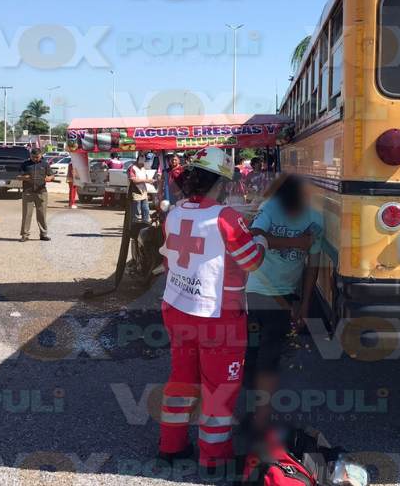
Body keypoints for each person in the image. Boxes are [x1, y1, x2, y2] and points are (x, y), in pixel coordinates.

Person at [157, 147, 267, 469]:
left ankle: (171, 446)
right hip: (218, 318)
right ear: (222, 182)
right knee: (219, 390)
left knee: (181, 381)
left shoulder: (174, 213)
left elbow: (169, 263)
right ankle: (214, 460)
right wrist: (260, 239)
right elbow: (252, 261)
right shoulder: (225, 217)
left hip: (177, 309)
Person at [243, 174, 322, 431]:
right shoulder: (270, 208)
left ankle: (255, 412)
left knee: (266, 353)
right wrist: (296, 242)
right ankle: (254, 414)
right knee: (258, 353)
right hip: (257, 290)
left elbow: (313, 266)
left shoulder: (315, 218)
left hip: (285, 293)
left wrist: (305, 304)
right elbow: (255, 234)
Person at [19, 148, 55, 242]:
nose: (35, 159)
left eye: (37, 157)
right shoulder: (25, 164)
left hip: (41, 192)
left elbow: (52, 175)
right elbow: (18, 176)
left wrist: (49, 178)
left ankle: (43, 234)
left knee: (42, 214)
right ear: (30, 155)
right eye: (33, 157)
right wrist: (24, 177)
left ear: (41, 155)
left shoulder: (45, 164)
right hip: (28, 192)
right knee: (27, 214)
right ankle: (25, 235)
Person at [128, 154, 154, 224]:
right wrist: (146, 180)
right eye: (142, 162)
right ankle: (134, 227)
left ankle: (146, 223)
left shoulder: (143, 168)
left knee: (146, 210)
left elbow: (146, 178)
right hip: (135, 192)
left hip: (143, 192)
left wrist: (151, 181)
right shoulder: (132, 168)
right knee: (136, 212)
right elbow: (134, 180)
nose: (143, 164)